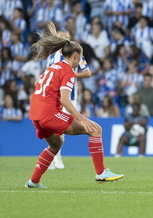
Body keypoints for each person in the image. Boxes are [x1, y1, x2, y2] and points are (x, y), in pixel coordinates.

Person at [25, 21, 123, 189]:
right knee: (95, 129)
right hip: (49, 114)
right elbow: (64, 99)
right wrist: (81, 118)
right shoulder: (68, 71)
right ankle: (101, 172)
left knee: (56, 144)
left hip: (35, 115)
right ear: (76, 56)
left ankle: (33, 181)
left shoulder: (53, 67)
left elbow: (36, 85)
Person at [46, 30, 91, 170]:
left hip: (70, 97)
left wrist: (70, 74)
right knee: (54, 127)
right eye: (61, 38)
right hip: (54, 97)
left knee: (63, 127)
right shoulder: (52, 56)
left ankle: (54, 155)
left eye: (66, 38)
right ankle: (54, 156)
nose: (63, 41)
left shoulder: (75, 55)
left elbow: (87, 72)